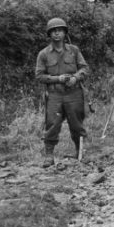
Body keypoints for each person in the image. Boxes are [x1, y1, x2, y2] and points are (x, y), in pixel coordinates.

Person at [35, 17, 90, 166]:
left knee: (77, 125)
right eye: (53, 31)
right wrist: (57, 78)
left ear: (65, 33)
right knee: (52, 124)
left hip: (74, 94)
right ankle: (49, 156)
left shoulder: (74, 50)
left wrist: (76, 78)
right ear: (49, 34)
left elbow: (85, 68)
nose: (57, 34)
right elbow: (39, 76)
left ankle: (80, 153)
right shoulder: (44, 54)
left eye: (59, 30)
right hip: (55, 95)